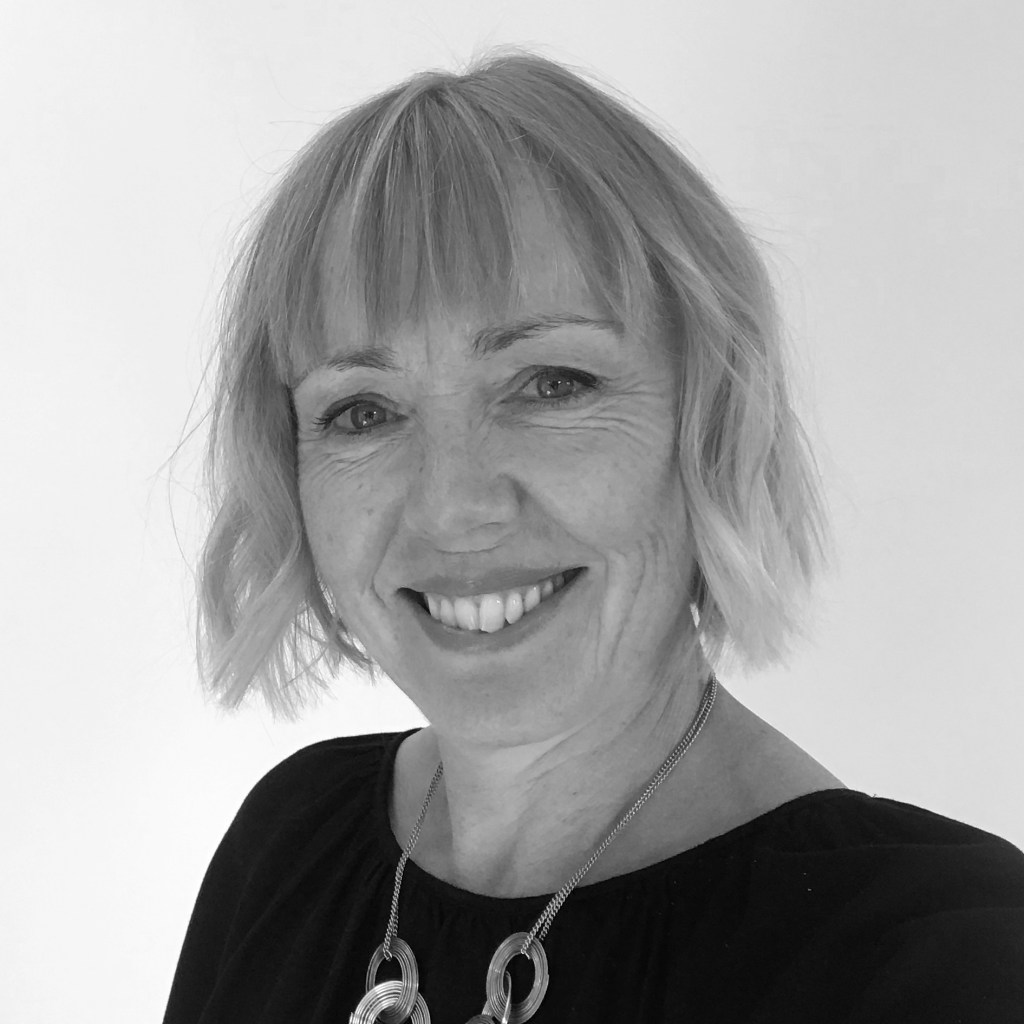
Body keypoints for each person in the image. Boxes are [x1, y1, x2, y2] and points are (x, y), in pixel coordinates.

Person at [163, 46, 1024, 1024]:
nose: (452, 506)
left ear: (709, 420)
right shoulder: (290, 841)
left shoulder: (945, 962)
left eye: (550, 384)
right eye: (363, 410)